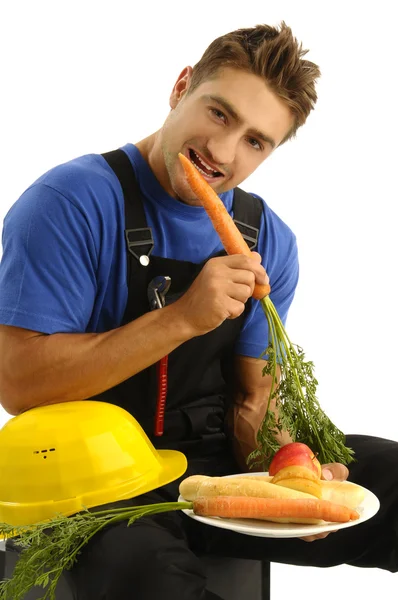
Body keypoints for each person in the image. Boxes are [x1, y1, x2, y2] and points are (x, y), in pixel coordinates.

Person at [0, 21, 397, 599]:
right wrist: (182, 317)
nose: (221, 152)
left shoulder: (268, 239)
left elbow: (251, 402)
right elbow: (19, 384)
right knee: (156, 578)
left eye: (255, 141)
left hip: (210, 471)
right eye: (218, 113)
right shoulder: (70, 203)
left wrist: (294, 475)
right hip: (91, 483)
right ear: (182, 86)